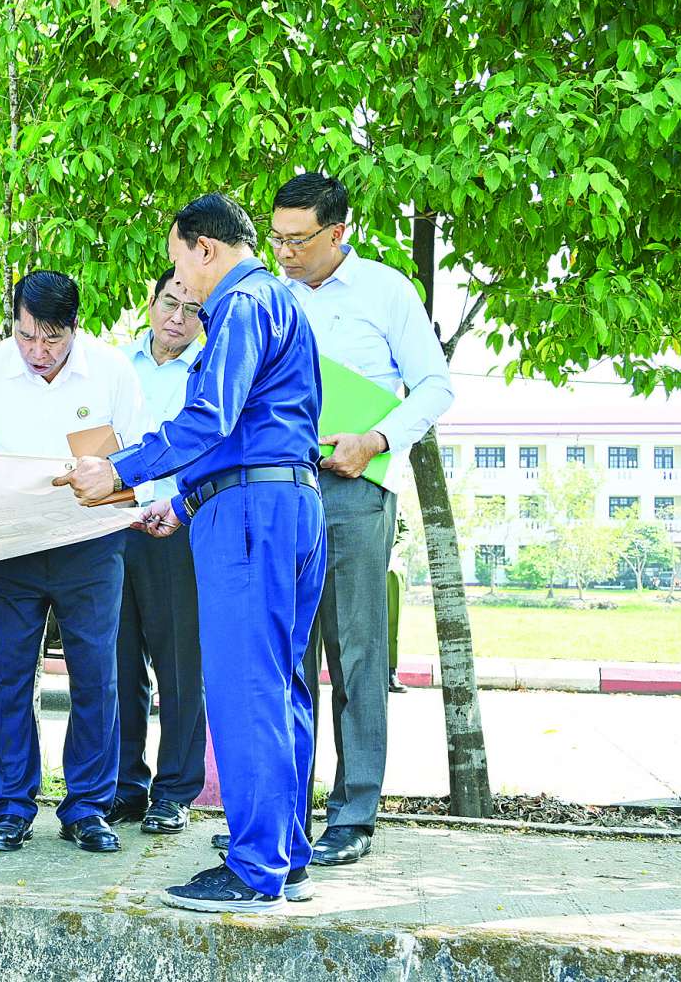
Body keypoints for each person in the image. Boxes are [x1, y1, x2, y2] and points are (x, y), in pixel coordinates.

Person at [56, 194, 324, 913]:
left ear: (205, 247)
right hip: (288, 504)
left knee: (244, 689)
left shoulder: (238, 304)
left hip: (251, 516)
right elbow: (257, 428)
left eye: (180, 262)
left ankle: (254, 870)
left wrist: (120, 470)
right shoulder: (282, 303)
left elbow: (211, 417)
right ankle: (287, 857)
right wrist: (182, 503)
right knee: (282, 688)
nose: (182, 282)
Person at [270, 172, 453, 865]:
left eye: (298, 240)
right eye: (277, 238)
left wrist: (375, 440)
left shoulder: (385, 290)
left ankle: (354, 813)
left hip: (354, 489)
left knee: (355, 653)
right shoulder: (271, 297)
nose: (285, 252)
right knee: (285, 654)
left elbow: (434, 385)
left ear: (338, 232)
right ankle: (283, 813)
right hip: (279, 489)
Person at [0, 271, 146, 856]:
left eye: (52, 339)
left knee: (96, 675)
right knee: (9, 675)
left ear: (75, 328)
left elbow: (141, 454)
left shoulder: (112, 371)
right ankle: (9, 807)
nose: (38, 351)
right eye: (27, 335)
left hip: (91, 544)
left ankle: (88, 807)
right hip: (10, 546)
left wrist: (116, 483)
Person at [107, 269, 208, 836]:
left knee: (179, 665)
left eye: (192, 309)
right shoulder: (115, 366)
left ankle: (173, 792)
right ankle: (123, 786)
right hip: (113, 524)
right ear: (150, 302)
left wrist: (176, 504)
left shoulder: (209, 371)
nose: (177, 317)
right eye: (170, 302)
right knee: (116, 664)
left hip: (178, 525)